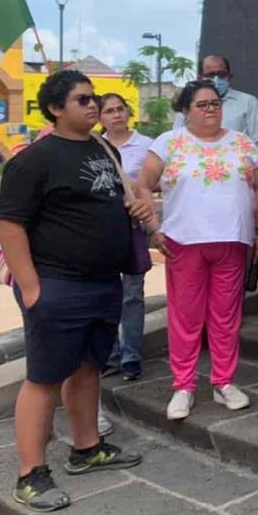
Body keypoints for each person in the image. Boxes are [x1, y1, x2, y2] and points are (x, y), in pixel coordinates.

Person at [0, 70, 148, 512]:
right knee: (44, 379)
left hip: (103, 284)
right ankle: (30, 473)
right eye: (82, 99)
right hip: (57, 285)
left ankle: (86, 448)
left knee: (87, 370)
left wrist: (135, 203)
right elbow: (9, 224)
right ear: (57, 109)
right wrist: (31, 288)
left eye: (93, 98)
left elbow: (118, 196)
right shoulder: (34, 159)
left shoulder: (102, 148)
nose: (93, 105)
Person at [136, 80, 258, 421]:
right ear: (186, 110)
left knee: (226, 317)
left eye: (215, 103)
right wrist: (153, 227)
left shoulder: (243, 144)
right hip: (184, 242)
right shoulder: (169, 143)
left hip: (232, 242)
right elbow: (142, 186)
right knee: (185, 316)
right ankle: (184, 386)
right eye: (202, 104)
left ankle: (224, 382)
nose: (211, 109)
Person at [97, 93, 153, 382]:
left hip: (133, 229)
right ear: (100, 117)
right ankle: (110, 354)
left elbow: (152, 186)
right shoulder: (94, 146)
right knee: (106, 294)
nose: (116, 115)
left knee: (132, 295)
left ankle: (132, 355)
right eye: (109, 110)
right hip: (102, 231)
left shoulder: (145, 146)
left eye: (120, 109)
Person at [174, 54, 258, 147]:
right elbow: (177, 141)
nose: (216, 79)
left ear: (229, 76)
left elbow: (257, 143)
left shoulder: (248, 102)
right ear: (200, 78)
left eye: (222, 74)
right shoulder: (188, 103)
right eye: (210, 75)